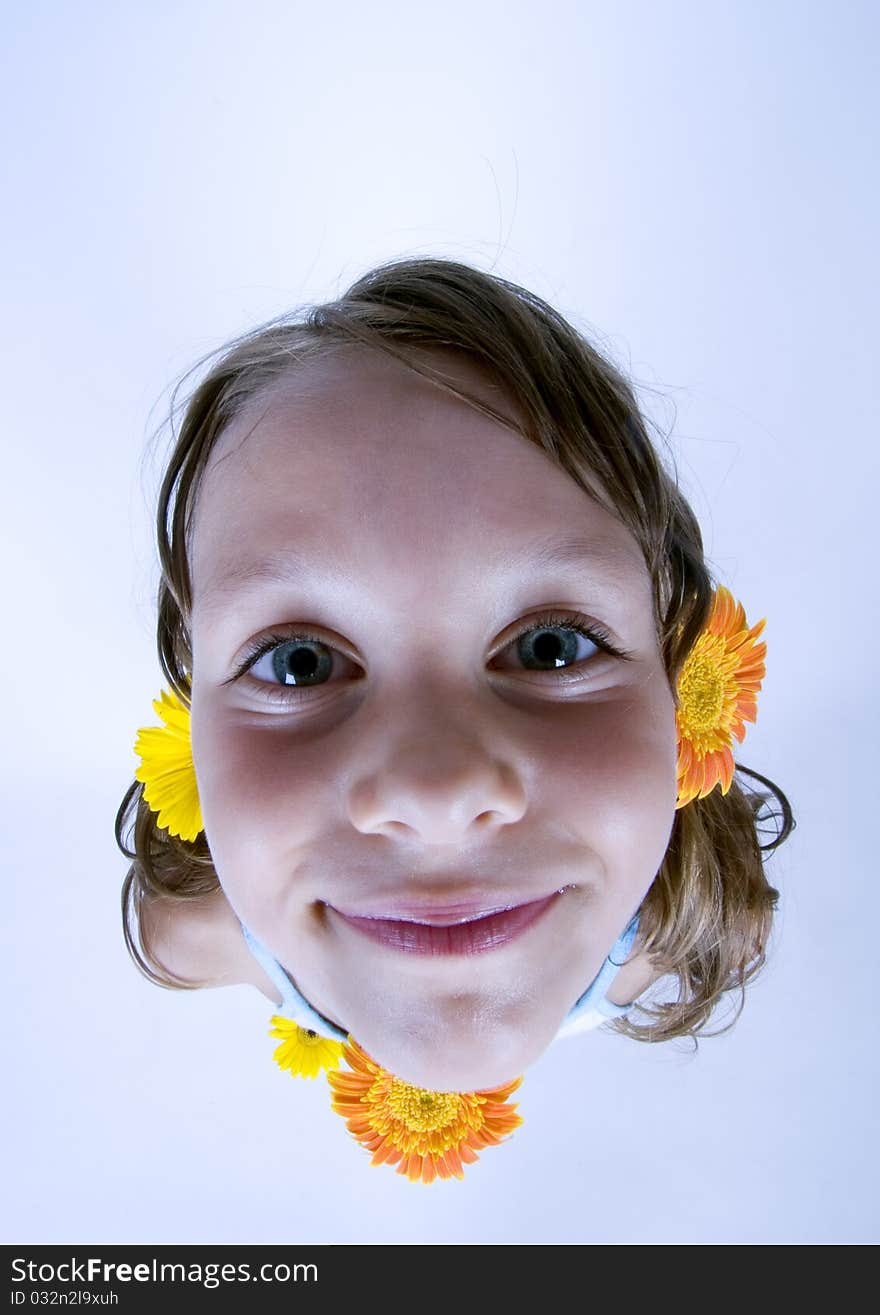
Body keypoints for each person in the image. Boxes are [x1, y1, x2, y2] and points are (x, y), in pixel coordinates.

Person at [115, 256, 794, 1182]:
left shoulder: (677, 934)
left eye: (553, 646)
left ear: (678, 690)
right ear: (194, 730)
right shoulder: (191, 931)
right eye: (298, 663)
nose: (435, 798)